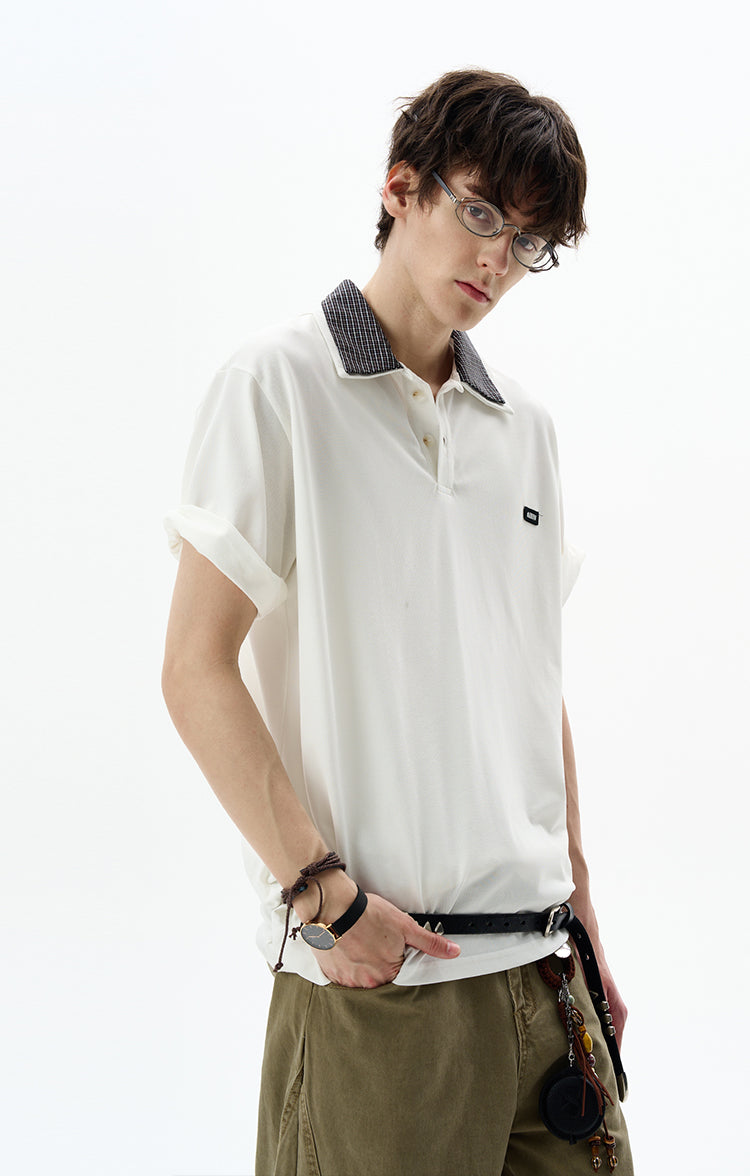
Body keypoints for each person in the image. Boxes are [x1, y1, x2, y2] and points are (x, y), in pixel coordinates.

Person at [162, 68, 633, 1175]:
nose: (497, 259)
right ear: (401, 186)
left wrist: (581, 907)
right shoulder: (277, 385)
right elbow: (193, 668)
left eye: (528, 241)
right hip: (385, 984)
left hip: (544, 976)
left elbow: (530, 679)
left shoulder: (525, 431)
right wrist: (324, 897)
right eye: (481, 212)